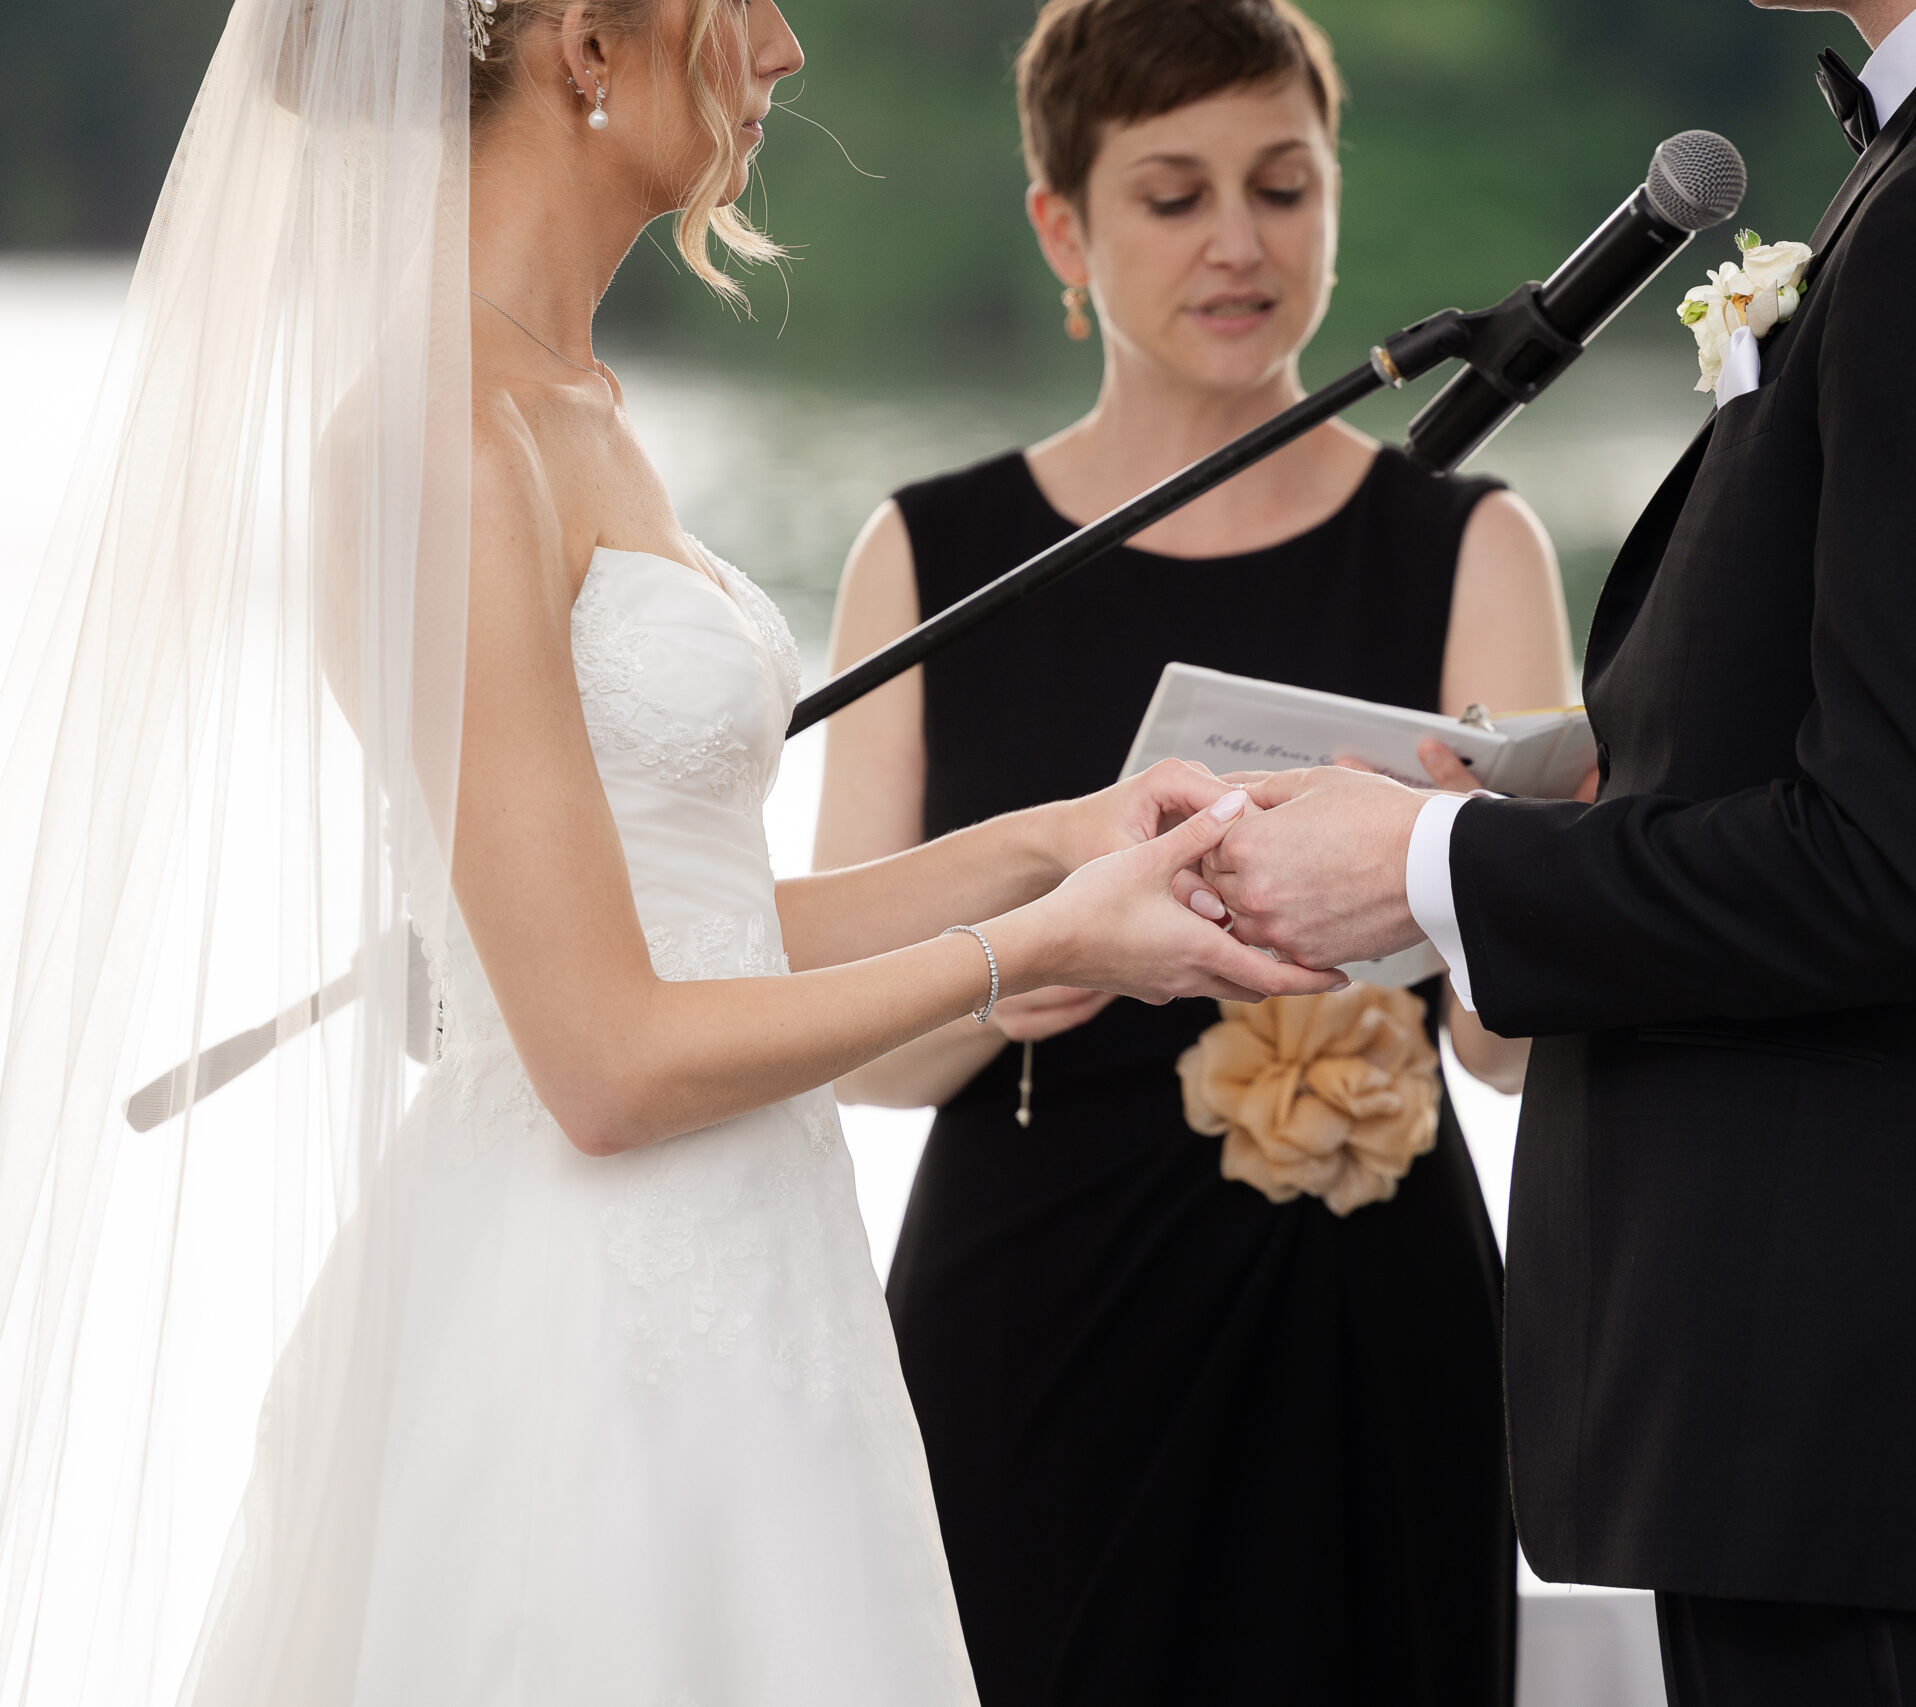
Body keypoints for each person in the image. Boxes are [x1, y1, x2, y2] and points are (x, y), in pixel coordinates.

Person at [0, 0, 1340, 1701]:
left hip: (757, 1278)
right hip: (583, 1328)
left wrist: (1048, 847)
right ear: (583, 47)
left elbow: (692, 922)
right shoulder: (438, 439)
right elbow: (610, 1059)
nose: (783, 53)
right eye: (747, 5)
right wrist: (1048, 949)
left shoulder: (583, 405)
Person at [1194, 0, 1916, 1703]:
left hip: (1864, 1409)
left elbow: (1899, 867)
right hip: (1874, 1426)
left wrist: (1428, 866)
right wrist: (1575, 781)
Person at [810, 2, 1574, 1701]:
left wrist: (1553, 881)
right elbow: (858, 1044)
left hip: (1370, 1343)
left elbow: (1509, 1054)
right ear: (1061, 228)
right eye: (1173, 196)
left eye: (1283, 186)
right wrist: (1035, 961)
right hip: (1033, 1334)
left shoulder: (1470, 545)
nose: (1240, 242)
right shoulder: (934, 553)